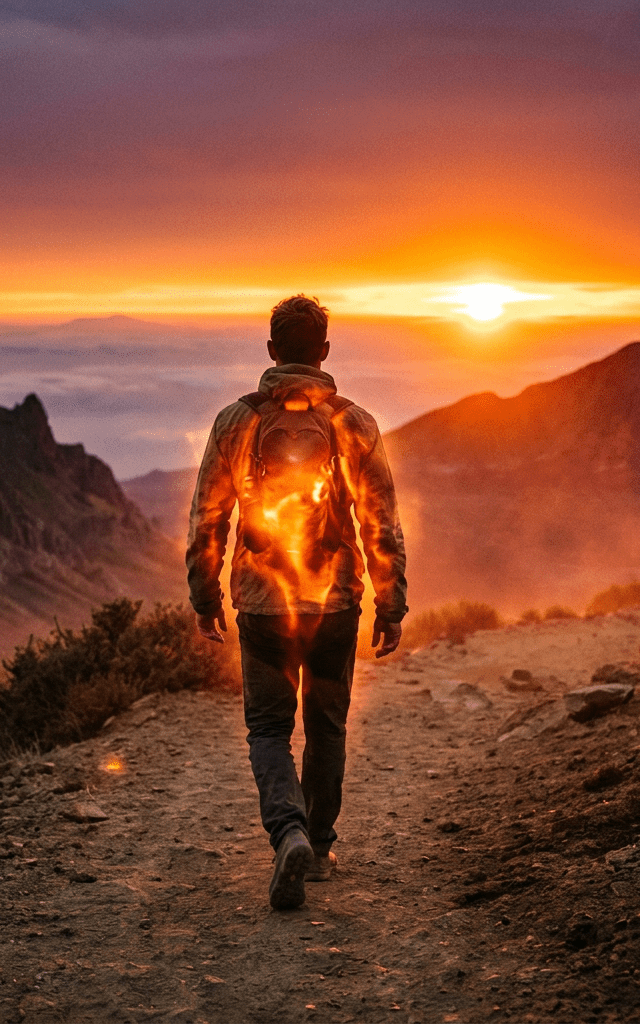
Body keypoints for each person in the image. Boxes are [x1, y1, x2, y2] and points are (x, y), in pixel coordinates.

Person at [186, 294, 408, 911]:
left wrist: (205, 595)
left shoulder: (237, 420)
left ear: (271, 351)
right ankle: (318, 841)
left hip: (262, 602)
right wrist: (391, 603)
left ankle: (287, 833)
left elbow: (208, 514)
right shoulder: (355, 422)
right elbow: (381, 521)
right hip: (336, 600)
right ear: (325, 352)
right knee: (327, 726)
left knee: (267, 727)